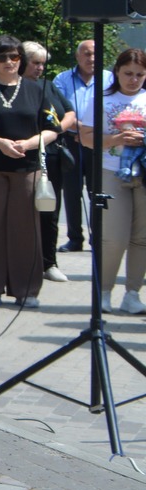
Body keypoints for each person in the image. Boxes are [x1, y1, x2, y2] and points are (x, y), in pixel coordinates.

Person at [0, 36, 56, 308]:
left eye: (14, 57)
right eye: (2, 57)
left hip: (26, 169)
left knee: (26, 229)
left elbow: (53, 129)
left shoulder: (37, 90)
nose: (9, 62)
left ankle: (26, 289)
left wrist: (30, 143)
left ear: (22, 60)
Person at [79, 46, 146, 315]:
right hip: (111, 170)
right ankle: (103, 292)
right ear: (116, 72)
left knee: (142, 237)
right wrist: (117, 140)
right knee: (114, 237)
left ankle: (132, 294)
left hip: (143, 172)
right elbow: (85, 137)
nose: (133, 79)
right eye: (128, 73)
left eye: (140, 74)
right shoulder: (101, 100)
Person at [23, 41, 75, 283]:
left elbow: (70, 113)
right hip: (22, 156)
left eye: (43, 64)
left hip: (50, 156)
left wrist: (56, 130)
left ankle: (49, 262)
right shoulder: (13, 87)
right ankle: (21, 262)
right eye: (36, 63)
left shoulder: (48, 86)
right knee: (21, 214)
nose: (40, 68)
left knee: (49, 212)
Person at [51, 38, 101, 254]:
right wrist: (81, 129)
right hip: (70, 141)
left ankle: (98, 238)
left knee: (97, 191)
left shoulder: (109, 79)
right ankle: (74, 238)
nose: (91, 58)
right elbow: (57, 109)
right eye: (86, 54)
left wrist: (90, 132)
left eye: (94, 54)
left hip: (99, 142)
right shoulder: (62, 79)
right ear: (77, 56)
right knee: (71, 191)